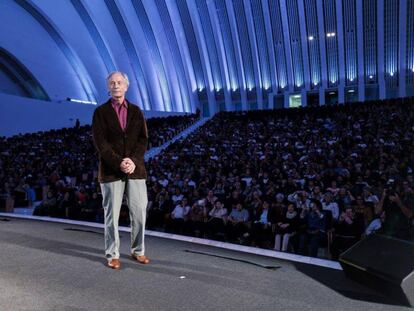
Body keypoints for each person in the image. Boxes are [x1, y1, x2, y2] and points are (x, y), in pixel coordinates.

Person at [92, 71, 149, 270]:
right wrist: (119, 163)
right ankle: (112, 254)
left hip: (136, 169)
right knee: (111, 216)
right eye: (112, 83)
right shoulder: (100, 112)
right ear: (108, 87)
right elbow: (101, 143)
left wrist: (132, 161)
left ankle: (138, 250)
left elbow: (143, 140)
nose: (116, 85)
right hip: (110, 171)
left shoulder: (136, 111)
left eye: (119, 82)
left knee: (140, 211)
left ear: (126, 85)